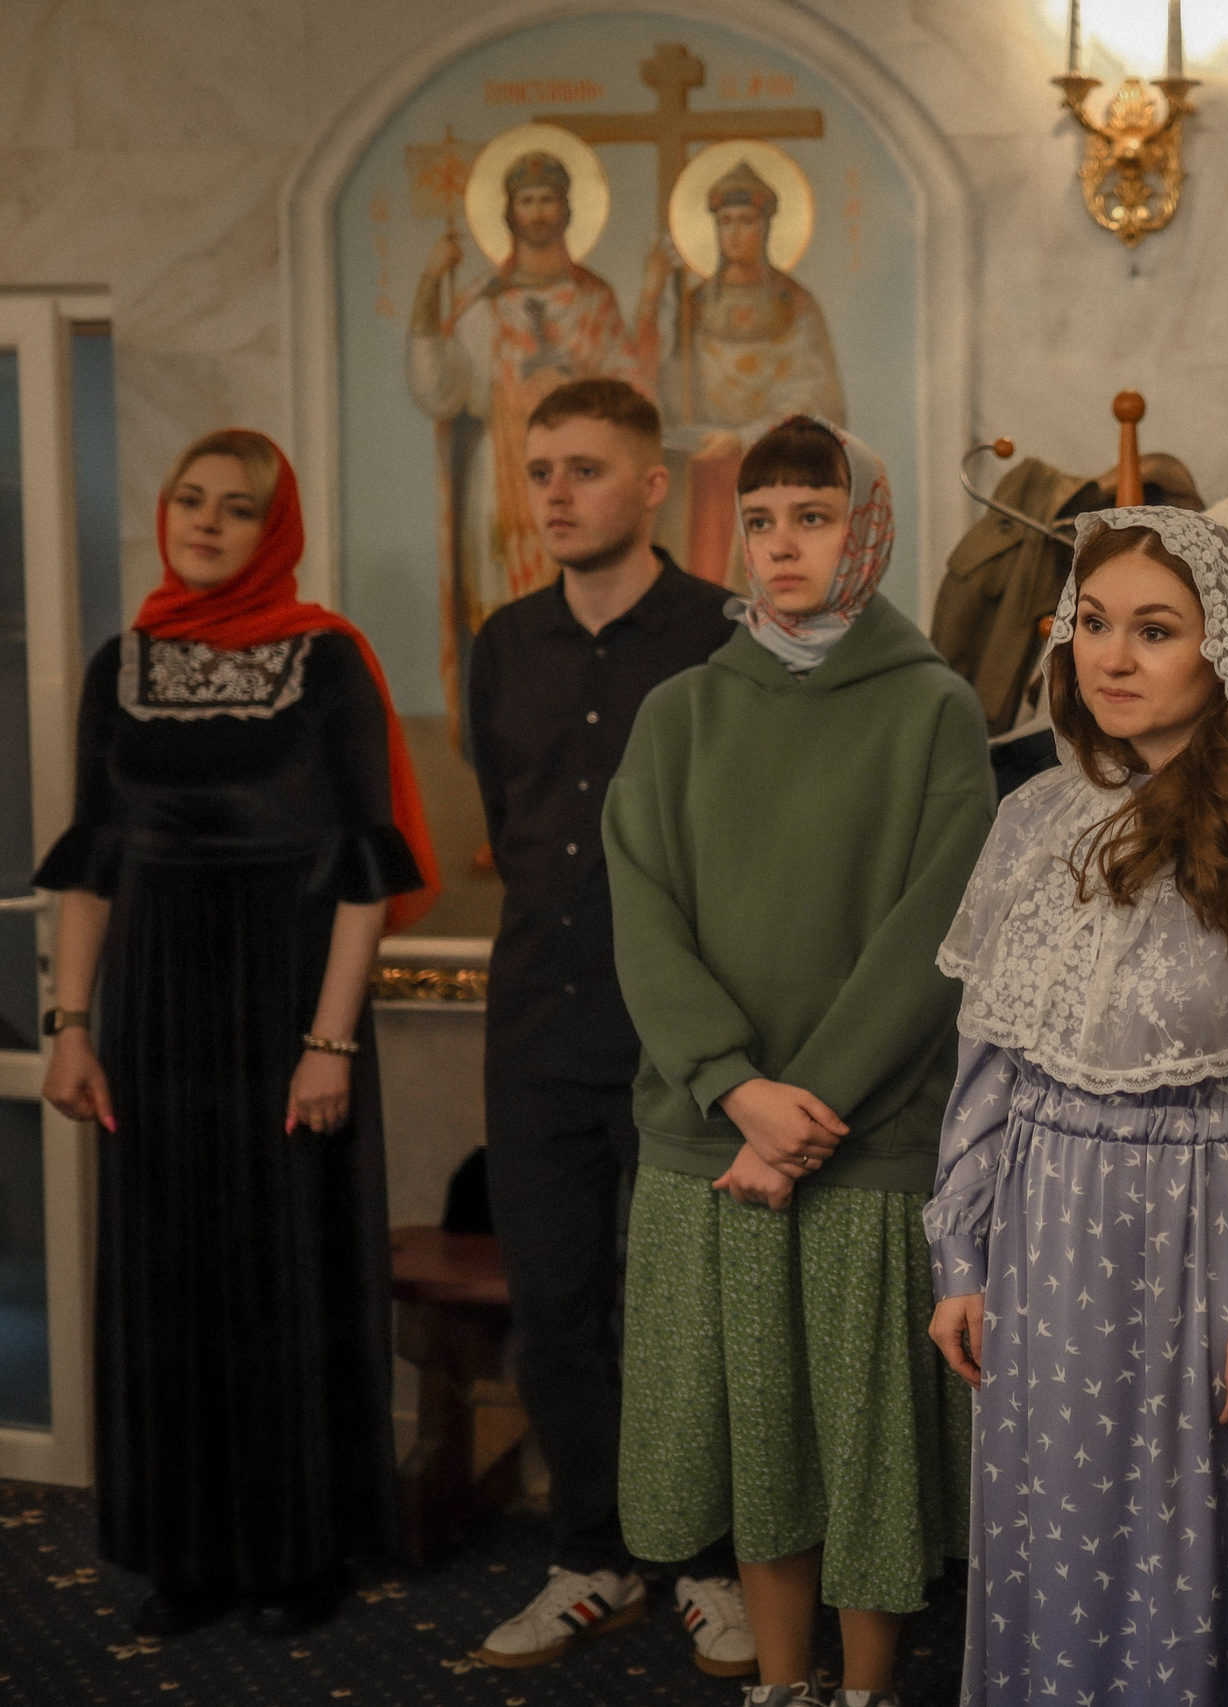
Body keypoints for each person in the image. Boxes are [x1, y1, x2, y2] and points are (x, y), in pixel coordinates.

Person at [924, 508, 1228, 1707]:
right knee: (1051, 1542)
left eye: (1155, 630)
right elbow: (990, 1066)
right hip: (1042, 1249)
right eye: (1092, 624)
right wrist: (959, 1256)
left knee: (1190, 1557)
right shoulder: (1030, 822)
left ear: (1226, 653)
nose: (1112, 657)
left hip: (1207, 1254)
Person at [604, 415, 992, 1707]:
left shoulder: (934, 708)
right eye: (759, 519)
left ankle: (871, 1684)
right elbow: (642, 910)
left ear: (866, 527)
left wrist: (803, 1113)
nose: (781, 544)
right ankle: (781, 1680)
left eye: (812, 515)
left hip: (863, 1145)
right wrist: (735, 1089)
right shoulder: (680, 712)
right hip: (708, 1136)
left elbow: (935, 928)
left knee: (866, 1438)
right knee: (759, 1435)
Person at [37, 429, 441, 1637]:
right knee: (166, 1275)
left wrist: (329, 1043)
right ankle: (186, 1557)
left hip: (285, 1006)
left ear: (279, 531)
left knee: (286, 1277)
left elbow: (367, 873)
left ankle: (296, 1555)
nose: (205, 524)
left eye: (238, 510)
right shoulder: (119, 666)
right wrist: (69, 1021)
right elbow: (94, 867)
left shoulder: (328, 665)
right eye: (189, 501)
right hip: (152, 1014)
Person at [464, 378, 747, 1674]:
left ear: (649, 485)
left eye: (584, 468)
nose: (557, 494)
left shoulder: (724, 634)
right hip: (532, 1024)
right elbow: (505, 815)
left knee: (682, 1306)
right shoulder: (504, 642)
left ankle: (704, 1561)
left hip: (678, 1035)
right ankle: (592, 1553)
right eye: (541, 472)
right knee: (558, 1300)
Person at [411, 148, 664, 723]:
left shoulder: (595, 301)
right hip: (502, 482)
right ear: (509, 213)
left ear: (567, 209)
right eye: (526, 200)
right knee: (507, 616)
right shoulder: (484, 303)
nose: (538, 212)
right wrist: (430, 285)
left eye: (548, 199)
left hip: (585, 475)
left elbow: (632, 390)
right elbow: (441, 390)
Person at [654, 158, 848, 585]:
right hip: (699, 477)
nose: (735, 233)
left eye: (746, 220)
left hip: (766, 469)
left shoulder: (795, 305)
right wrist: (656, 309)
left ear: (765, 227)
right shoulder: (693, 306)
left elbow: (817, 398)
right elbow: (666, 392)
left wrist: (742, 437)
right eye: (725, 222)